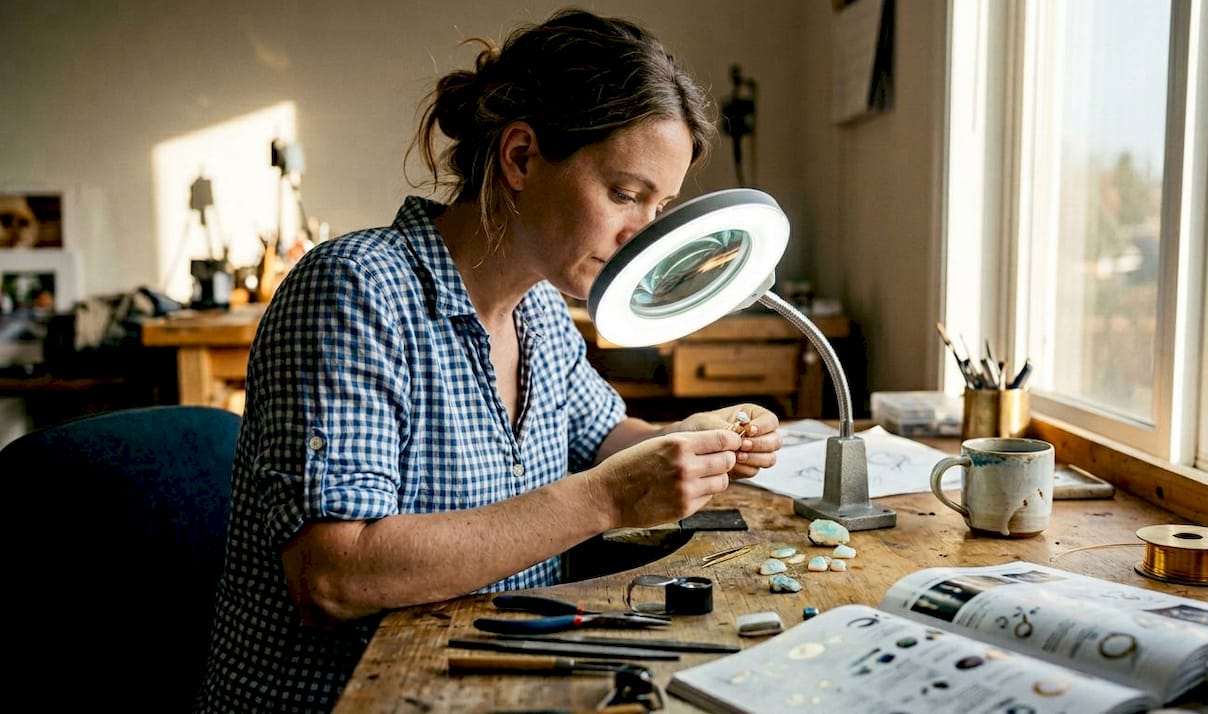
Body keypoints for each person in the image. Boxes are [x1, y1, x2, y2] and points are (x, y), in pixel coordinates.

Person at [197, 8, 783, 713]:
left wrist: (693, 439)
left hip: (491, 679)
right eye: (625, 194)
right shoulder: (356, 291)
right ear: (521, 157)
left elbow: (607, 439)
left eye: (657, 208)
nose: (640, 234)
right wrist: (606, 497)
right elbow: (334, 576)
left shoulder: (539, 310)